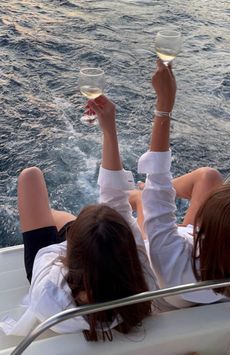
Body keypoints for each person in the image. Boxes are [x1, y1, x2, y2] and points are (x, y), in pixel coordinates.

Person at [0, 88, 174, 341]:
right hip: (81, 255)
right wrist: (109, 128)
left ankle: (64, 218)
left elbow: (47, 253)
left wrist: (109, 128)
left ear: (71, 254)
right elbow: (115, 197)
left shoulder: (49, 292)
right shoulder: (143, 280)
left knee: (30, 177)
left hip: (58, 257)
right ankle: (67, 219)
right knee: (56, 213)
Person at [136, 59, 230, 307]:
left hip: (167, 269)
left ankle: (137, 192)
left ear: (201, 233)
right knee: (209, 177)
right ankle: (143, 193)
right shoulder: (225, 272)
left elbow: (158, 178)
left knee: (140, 198)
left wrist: (165, 105)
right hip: (196, 269)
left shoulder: (170, 256)